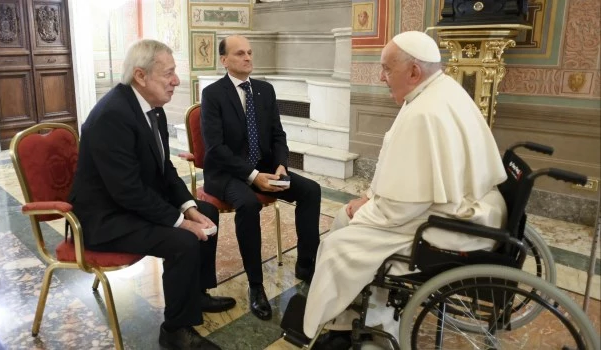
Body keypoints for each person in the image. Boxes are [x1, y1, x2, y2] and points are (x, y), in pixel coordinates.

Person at [302, 31, 508, 341]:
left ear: (413, 71)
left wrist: (365, 210)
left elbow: (402, 208)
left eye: (386, 68)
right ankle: (359, 312)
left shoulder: (424, 112)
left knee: (337, 245)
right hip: (467, 209)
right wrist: (370, 197)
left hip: (446, 225)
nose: (381, 77)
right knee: (347, 218)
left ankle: (343, 323)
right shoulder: (442, 89)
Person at [69, 39, 235, 350]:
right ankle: (174, 329)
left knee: (207, 212)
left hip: (129, 203)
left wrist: (187, 207)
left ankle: (196, 294)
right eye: (169, 73)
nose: (176, 81)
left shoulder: (151, 109)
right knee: (183, 241)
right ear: (140, 76)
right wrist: (179, 222)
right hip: (106, 218)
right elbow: (126, 191)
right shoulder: (112, 116)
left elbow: (164, 168)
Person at [200, 35, 322, 321]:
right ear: (224, 60)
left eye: (250, 53)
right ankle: (256, 286)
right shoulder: (213, 94)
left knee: (311, 190)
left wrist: (280, 165)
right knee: (247, 204)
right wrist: (253, 176)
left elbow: (278, 134)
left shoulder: (265, 90)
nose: (247, 58)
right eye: (240, 53)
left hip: (266, 168)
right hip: (227, 173)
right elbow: (215, 149)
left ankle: (306, 264)